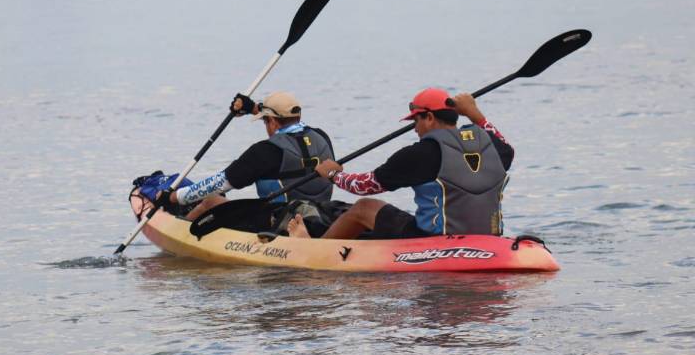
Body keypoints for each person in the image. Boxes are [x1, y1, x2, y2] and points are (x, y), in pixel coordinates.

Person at [288, 87, 514, 239]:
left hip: (434, 240)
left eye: (416, 121)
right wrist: (474, 114)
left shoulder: (421, 153)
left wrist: (333, 175)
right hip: (489, 238)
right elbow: (506, 146)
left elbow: (366, 186)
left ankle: (314, 249)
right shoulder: (490, 144)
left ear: (429, 118)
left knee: (364, 207)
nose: (415, 129)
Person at [162, 91, 335, 221]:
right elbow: (281, 119)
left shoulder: (266, 151)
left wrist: (174, 197)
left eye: (265, 120)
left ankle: (179, 232)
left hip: (280, 222)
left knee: (212, 200)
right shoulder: (322, 137)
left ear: (272, 122)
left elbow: (219, 184)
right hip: (320, 215)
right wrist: (252, 108)